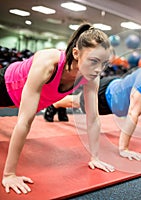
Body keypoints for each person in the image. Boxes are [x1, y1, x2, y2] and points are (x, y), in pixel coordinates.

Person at [0, 23, 115, 195]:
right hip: (5, 87)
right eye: (93, 61)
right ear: (76, 53)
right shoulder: (49, 62)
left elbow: (93, 119)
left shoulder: (92, 76)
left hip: (18, 99)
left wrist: (95, 157)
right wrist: (9, 174)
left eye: (104, 63)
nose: (98, 69)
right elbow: (24, 121)